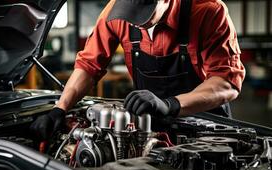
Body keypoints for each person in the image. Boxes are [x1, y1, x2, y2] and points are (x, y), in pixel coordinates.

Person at [31, 0, 245, 139]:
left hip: (206, 127)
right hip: (151, 126)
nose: (134, 22)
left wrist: (170, 104)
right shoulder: (115, 12)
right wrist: (61, 108)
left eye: (143, 13)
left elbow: (226, 82)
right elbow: (89, 65)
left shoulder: (208, 12)